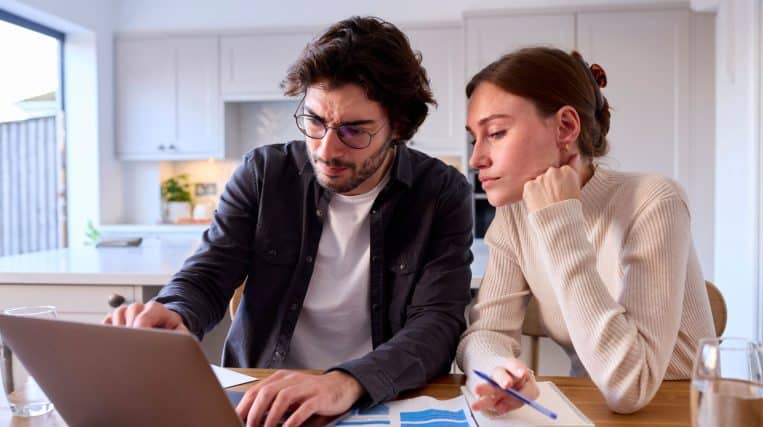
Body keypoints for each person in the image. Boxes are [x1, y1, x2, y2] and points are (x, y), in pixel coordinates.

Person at [104, 16, 473, 427]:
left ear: (399, 127)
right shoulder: (264, 173)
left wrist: (345, 382)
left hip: (375, 399)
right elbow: (209, 272)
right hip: (261, 398)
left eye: (354, 131)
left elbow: (437, 324)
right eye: (315, 121)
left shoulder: (440, 192)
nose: (326, 149)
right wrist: (175, 310)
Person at [457, 46, 716, 415]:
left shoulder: (654, 201)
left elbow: (631, 386)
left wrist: (560, 218)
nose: (476, 158)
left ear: (565, 127)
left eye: (496, 133)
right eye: (474, 138)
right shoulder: (514, 217)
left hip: (678, 410)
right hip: (589, 409)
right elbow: (485, 333)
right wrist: (499, 371)